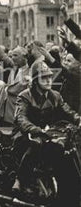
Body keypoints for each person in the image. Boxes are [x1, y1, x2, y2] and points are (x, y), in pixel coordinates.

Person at [12, 62, 81, 193]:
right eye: (44, 77)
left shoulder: (55, 95)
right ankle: (21, 179)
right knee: (37, 143)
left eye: (50, 77)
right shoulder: (25, 96)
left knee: (68, 146)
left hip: (48, 132)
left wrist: (78, 119)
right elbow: (20, 118)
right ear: (36, 80)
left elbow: (67, 110)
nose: (49, 80)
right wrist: (35, 129)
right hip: (26, 134)